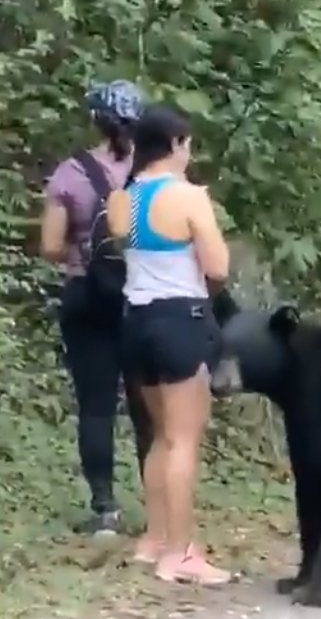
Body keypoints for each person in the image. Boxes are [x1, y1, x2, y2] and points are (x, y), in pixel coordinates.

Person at [106, 103, 232, 585]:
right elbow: (217, 267)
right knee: (184, 438)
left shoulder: (125, 196)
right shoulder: (188, 196)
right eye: (188, 143)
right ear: (176, 145)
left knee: (161, 434)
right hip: (179, 318)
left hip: (135, 319)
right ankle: (180, 553)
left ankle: (155, 538)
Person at [40, 79, 152, 536]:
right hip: (143, 297)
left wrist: (82, 250)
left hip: (88, 296)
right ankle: (163, 510)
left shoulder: (71, 173)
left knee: (97, 406)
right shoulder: (152, 173)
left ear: (95, 120)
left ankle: (105, 509)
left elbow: (49, 246)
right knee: (149, 406)